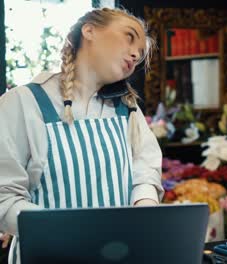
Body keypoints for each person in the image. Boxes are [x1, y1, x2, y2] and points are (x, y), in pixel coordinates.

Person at [0, 8, 164, 263]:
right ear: (89, 30)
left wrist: (144, 212)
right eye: (129, 37)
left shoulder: (127, 108)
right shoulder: (22, 103)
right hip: (47, 256)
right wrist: (67, 233)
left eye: (141, 53)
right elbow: (4, 197)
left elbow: (145, 171)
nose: (135, 54)